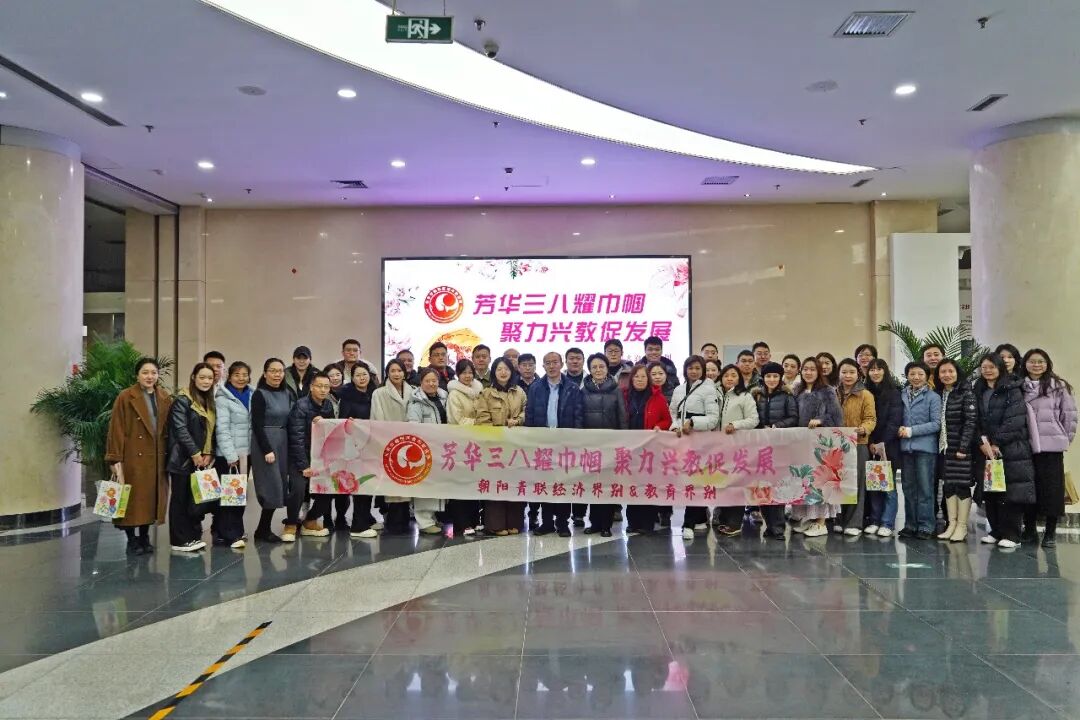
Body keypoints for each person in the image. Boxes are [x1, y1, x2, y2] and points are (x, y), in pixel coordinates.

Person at [105, 357, 173, 555]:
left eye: (153, 373)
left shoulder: (164, 397)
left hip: (157, 456)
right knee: (132, 499)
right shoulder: (126, 396)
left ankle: (144, 536)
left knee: (150, 500)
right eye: (145, 372)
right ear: (137, 375)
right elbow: (116, 428)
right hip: (133, 456)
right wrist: (115, 457)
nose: (149, 376)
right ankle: (131, 539)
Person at [973, 353, 1036, 548]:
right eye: (984, 367)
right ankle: (996, 531)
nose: (987, 371)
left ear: (1000, 368)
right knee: (991, 491)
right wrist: (981, 442)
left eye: (991, 367)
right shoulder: (979, 389)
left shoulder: (1011, 389)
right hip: (986, 450)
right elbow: (974, 419)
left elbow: (1014, 420)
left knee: (1010, 493)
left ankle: (1012, 535)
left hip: (1010, 450)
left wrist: (996, 443)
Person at [1021, 348, 1077, 547]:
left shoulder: (1058, 386)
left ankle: (1050, 532)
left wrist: (1062, 438)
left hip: (1051, 447)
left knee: (1052, 490)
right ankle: (1029, 529)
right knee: (1028, 488)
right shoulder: (1019, 387)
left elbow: (1069, 416)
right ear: (1025, 364)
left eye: (1041, 361)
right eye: (1032, 361)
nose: (1036, 365)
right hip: (1026, 445)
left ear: (1047, 364)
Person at [524, 352, 584, 537]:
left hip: (564, 444)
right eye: (547, 363)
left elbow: (578, 417)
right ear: (543, 366)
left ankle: (563, 523)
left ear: (561, 364)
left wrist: (575, 441)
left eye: (555, 362)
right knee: (545, 483)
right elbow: (530, 415)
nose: (551, 366)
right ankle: (547, 522)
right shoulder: (535, 388)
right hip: (542, 444)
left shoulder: (572, 388)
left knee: (563, 484)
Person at [165, 362, 218, 552]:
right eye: (202, 377)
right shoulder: (182, 400)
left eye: (210, 378)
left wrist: (208, 453)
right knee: (180, 499)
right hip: (182, 458)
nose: (206, 381)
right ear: (193, 377)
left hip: (201, 459)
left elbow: (211, 431)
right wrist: (195, 453)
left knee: (195, 499)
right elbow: (181, 430)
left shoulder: (208, 401)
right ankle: (179, 540)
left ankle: (193, 536)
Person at [791, 357, 843, 537]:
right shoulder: (797, 390)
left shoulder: (827, 391)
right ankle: (808, 519)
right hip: (801, 443)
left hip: (821, 444)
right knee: (805, 481)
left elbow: (837, 418)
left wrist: (820, 420)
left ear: (819, 371)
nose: (808, 372)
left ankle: (821, 522)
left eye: (812, 369)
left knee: (820, 482)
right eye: (805, 369)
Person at [670, 355, 721, 539]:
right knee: (688, 480)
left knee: (695, 481)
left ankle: (688, 524)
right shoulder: (679, 389)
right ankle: (699, 518)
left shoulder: (709, 389)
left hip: (700, 442)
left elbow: (713, 418)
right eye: (690, 368)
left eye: (698, 368)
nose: (694, 371)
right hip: (682, 441)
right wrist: (675, 426)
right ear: (685, 370)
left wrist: (693, 422)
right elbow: (673, 412)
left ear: (703, 370)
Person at [475, 357, 527, 535]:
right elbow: (482, 419)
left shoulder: (519, 392)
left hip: (516, 447)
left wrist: (518, 420)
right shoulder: (486, 393)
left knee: (514, 483)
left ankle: (514, 522)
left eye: (506, 369)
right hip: (494, 448)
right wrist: (499, 433)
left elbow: (526, 411)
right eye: (499, 369)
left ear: (512, 372)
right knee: (496, 484)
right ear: (494, 373)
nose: (503, 372)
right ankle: (496, 525)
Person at [580, 353, 628, 537]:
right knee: (593, 485)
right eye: (594, 367)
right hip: (590, 445)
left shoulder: (616, 390)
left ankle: (606, 525)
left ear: (607, 369)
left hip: (610, 445)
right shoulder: (584, 390)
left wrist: (622, 441)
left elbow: (622, 416)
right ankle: (594, 523)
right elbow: (580, 416)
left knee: (607, 485)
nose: (598, 370)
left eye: (601, 366)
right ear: (589, 370)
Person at [249, 358, 295, 543]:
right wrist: (266, 449)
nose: (277, 374)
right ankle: (263, 529)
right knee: (271, 485)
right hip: (266, 443)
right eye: (273, 371)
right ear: (265, 373)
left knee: (280, 485)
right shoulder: (259, 394)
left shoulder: (287, 393)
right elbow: (256, 425)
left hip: (283, 442)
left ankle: (262, 529)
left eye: (280, 371)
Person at [623, 363, 672, 533]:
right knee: (632, 486)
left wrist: (659, 426)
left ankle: (647, 523)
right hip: (630, 449)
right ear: (631, 379)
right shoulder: (625, 396)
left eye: (643, 376)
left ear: (649, 379)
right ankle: (633, 522)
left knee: (648, 485)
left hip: (650, 450)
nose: (640, 379)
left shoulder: (658, 397)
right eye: (636, 376)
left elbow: (667, 420)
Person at [751, 362, 797, 539]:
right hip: (760, 447)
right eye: (768, 376)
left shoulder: (787, 396)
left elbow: (793, 417)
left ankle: (778, 528)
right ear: (763, 378)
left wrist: (776, 426)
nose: (771, 379)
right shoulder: (756, 395)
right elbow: (752, 417)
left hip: (780, 446)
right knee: (763, 486)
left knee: (777, 486)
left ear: (780, 377)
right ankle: (769, 526)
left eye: (775, 376)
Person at [288, 372, 337, 538]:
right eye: (319, 386)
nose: (323, 390)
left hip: (320, 457)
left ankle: (310, 520)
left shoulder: (328, 405)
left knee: (329, 488)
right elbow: (296, 438)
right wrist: (304, 465)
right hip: (300, 457)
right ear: (311, 387)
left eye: (326, 387)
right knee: (298, 489)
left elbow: (332, 431)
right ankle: (291, 523)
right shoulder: (301, 405)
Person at [712, 363, 758, 537]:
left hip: (737, 447)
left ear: (739, 378)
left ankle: (734, 523)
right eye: (726, 375)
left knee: (736, 484)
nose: (729, 378)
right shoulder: (715, 395)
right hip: (718, 448)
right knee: (722, 483)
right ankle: (724, 519)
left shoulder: (745, 396)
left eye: (733, 375)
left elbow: (753, 419)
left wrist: (735, 424)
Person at [898, 361, 943, 540]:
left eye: (920, 374)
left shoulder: (933, 397)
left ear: (927, 376)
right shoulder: (902, 394)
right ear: (907, 376)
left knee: (925, 489)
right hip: (905, 448)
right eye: (912, 374)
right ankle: (910, 525)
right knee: (908, 488)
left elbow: (936, 424)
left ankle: (926, 526)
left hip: (925, 449)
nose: (916, 377)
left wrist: (911, 431)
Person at [934, 358, 977, 543]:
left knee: (962, 485)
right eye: (943, 372)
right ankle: (951, 524)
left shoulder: (966, 393)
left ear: (957, 373)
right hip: (945, 448)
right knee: (948, 485)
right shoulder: (940, 393)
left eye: (950, 371)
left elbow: (970, 422)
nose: (947, 375)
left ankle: (962, 526)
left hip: (960, 449)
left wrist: (963, 447)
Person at [213, 360, 252, 549]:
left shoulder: (252, 394)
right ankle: (229, 534)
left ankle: (237, 530)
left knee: (239, 495)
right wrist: (230, 455)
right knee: (229, 496)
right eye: (237, 375)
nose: (241, 378)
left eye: (244, 374)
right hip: (229, 456)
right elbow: (222, 429)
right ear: (229, 376)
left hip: (246, 453)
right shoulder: (223, 398)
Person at [371, 359, 413, 534]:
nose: (396, 374)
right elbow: (377, 418)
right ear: (387, 373)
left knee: (407, 480)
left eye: (399, 370)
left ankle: (406, 518)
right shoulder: (379, 393)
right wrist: (386, 439)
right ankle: (392, 518)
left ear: (405, 373)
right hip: (389, 442)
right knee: (392, 481)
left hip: (410, 442)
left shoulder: (413, 391)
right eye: (392, 371)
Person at [407, 367, 451, 534]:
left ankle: (432, 518)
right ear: (421, 382)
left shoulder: (444, 397)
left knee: (437, 485)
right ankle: (424, 522)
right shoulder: (415, 402)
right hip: (425, 450)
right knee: (424, 486)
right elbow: (413, 426)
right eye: (427, 381)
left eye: (434, 380)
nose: (431, 384)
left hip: (442, 448)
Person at [836, 358, 877, 536]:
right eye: (844, 372)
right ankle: (840, 519)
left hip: (858, 443)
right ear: (839, 373)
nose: (848, 375)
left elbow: (871, 419)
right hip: (836, 444)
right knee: (838, 483)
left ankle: (854, 523)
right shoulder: (833, 393)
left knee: (857, 483)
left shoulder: (865, 394)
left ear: (858, 374)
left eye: (852, 372)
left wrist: (864, 429)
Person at [338, 363, 379, 538]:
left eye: (364, 374)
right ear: (352, 378)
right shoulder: (347, 396)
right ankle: (357, 526)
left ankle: (366, 519)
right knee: (360, 484)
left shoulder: (375, 393)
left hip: (373, 445)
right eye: (358, 375)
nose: (362, 378)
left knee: (370, 484)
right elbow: (343, 421)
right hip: (355, 447)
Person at [865, 359, 902, 537]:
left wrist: (882, 443)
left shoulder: (894, 392)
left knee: (888, 485)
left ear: (885, 371)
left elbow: (894, 421)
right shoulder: (866, 391)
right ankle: (874, 520)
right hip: (871, 445)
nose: (875, 372)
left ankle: (887, 522)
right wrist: (871, 442)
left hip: (889, 445)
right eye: (872, 369)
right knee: (874, 484)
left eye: (879, 369)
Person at [447, 358, 483, 536]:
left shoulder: (479, 391)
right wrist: (480, 423)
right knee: (460, 483)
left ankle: (475, 520)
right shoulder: (454, 394)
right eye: (464, 373)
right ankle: (462, 523)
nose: (467, 376)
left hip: (476, 443)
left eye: (470, 372)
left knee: (474, 482)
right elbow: (457, 419)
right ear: (458, 374)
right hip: (459, 443)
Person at [647, 361, 677, 528]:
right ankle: (652, 512)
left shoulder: (675, 391)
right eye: (653, 374)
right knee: (650, 477)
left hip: (667, 442)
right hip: (648, 442)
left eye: (660, 373)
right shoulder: (645, 392)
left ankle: (666, 512)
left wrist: (662, 426)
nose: (657, 377)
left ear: (666, 375)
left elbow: (671, 418)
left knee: (666, 478)